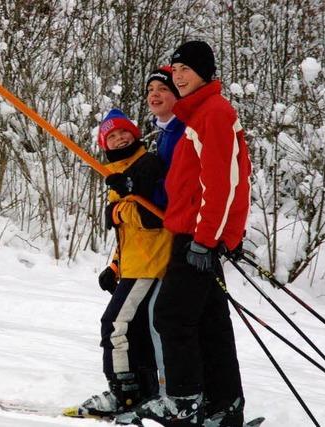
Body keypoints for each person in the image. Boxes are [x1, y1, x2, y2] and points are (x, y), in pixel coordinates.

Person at [116, 40, 252, 427]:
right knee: (210, 322)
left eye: (185, 71)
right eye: (174, 71)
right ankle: (224, 405)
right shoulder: (199, 113)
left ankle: (183, 400)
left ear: (204, 73)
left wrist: (208, 239)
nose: (177, 77)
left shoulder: (213, 113)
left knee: (171, 316)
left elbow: (224, 182)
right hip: (193, 233)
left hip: (196, 237)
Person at [71, 108, 173, 418]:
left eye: (123, 132)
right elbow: (127, 236)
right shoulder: (119, 174)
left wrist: (118, 211)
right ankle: (143, 390)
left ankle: (122, 393)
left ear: (135, 134)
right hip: (134, 264)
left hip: (150, 264)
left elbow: (153, 217)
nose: (119, 138)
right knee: (136, 331)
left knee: (114, 326)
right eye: (111, 136)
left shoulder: (148, 164)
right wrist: (114, 266)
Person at [145, 65, 185, 210]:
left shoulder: (185, 131)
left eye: (163, 89)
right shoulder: (165, 132)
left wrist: (141, 190)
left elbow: (179, 186)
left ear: (177, 94)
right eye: (150, 89)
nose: (154, 94)